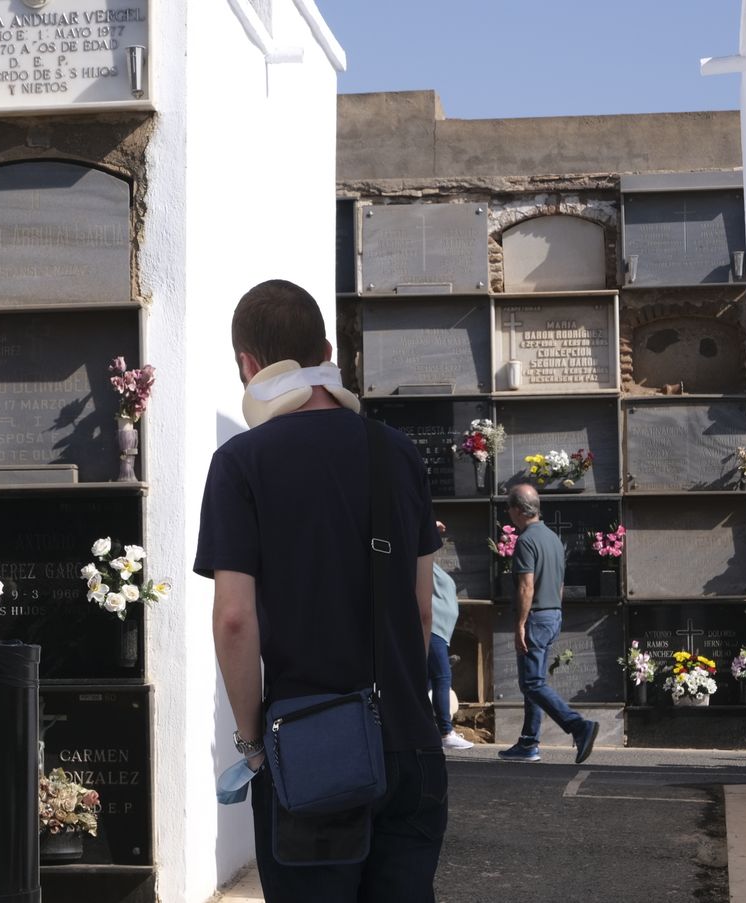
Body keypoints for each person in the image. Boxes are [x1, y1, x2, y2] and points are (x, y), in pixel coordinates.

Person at [196, 279, 447, 901]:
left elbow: (233, 619)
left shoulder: (242, 462)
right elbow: (422, 608)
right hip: (410, 746)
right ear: (326, 348)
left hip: (312, 748)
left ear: (247, 365)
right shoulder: (398, 453)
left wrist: (254, 744)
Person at [497, 484, 599, 764]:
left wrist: (520, 624)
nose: (508, 513)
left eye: (509, 508)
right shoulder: (553, 539)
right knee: (536, 682)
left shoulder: (526, 540)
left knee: (531, 683)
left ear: (518, 510)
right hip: (553, 613)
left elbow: (526, 586)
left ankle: (578, 726)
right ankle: (529, 743)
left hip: (536, 616)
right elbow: (560, 583)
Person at [428, 522, 472, 751]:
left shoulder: (426, 563)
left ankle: (428, 730)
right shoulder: (417, 563)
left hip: (438, 632)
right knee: (442, 678)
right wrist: (427, 526)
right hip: (431, 629)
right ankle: (445, 732)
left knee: (428, 682)